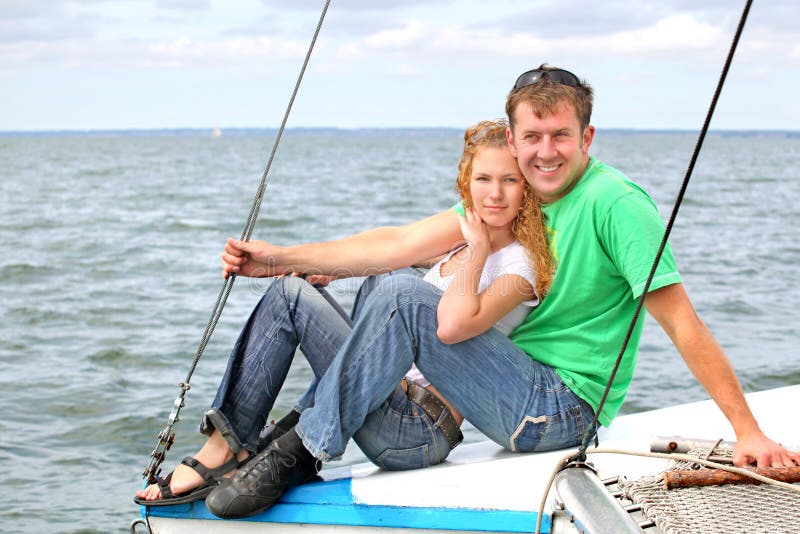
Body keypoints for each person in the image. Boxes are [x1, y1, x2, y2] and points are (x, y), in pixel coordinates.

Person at [202, 64, 799, 519]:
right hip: (509, 386)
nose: (546, 152)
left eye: (560, 136)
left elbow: (683, 323)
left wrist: (747, 431)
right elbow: (398, 242)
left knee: (407, 299)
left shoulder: (617, 205)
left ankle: (300, 449)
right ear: (512, 140)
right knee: (384, 282)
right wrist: (280, 259)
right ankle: (231, 446)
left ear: (586, 136)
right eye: (532, 136)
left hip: (563, 408)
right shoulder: (517, 195)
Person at [135, 119, 553, 506]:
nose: (494, 193)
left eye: (509, 180)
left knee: (297, 297)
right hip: (387, 396)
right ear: (467, 183)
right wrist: (311, 266)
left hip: (420, 429)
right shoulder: (458, 244)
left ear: (527, 189)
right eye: (483, 178)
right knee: (361, 281)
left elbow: (452, 326)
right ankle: (249, 441)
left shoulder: (521, 265)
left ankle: (234, 449)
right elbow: (390, 245)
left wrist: (479, 250)